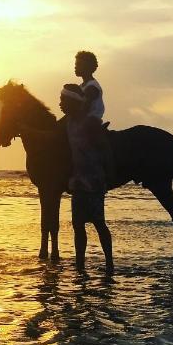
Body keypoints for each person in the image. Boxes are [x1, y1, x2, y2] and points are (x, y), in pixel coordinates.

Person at [60, 83, 113, 274]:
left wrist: (105, 176)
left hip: (94, 183)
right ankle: (80, 266)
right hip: (78, 183)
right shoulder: (69, 123)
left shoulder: (90, 123)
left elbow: (105, 150)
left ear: (73, 102)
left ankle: (109, 264)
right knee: (78, 226)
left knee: (99, 224)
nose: (60, 104)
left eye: (63, 100)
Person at [74, 49, 115, 186]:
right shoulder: (81, 86)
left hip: (91, 122)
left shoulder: (92, 87)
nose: (75, 66)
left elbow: (83, 109)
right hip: (82, 121)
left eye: (79, 64)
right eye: (76, 63)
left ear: (88, 67)